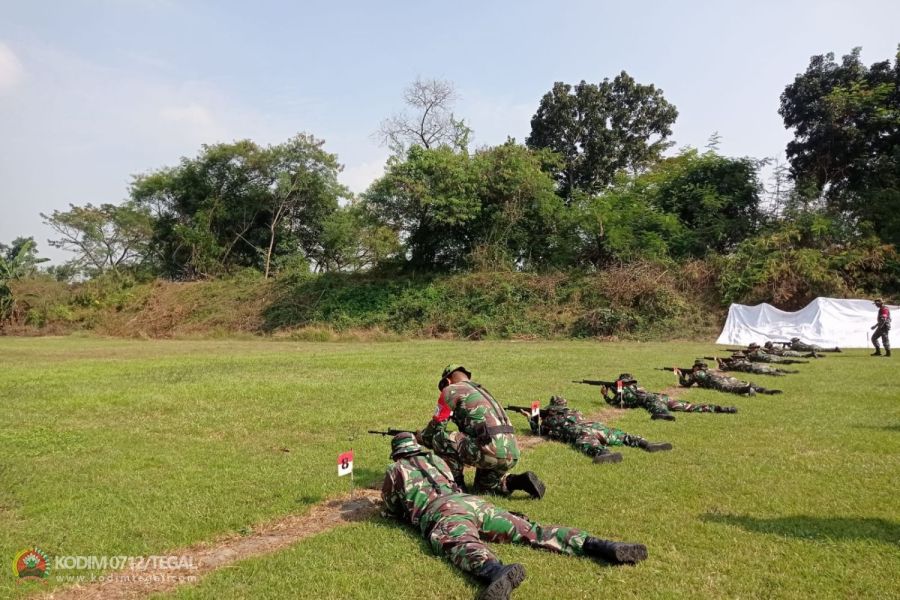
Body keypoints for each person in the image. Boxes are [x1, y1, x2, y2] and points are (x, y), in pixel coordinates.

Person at [381, 432, 648, 600]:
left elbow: (392, 508)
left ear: (397, 453)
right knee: (534, 531)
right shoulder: (438, 460)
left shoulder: (396, 470)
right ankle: (599, 545)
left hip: (443, 512)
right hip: (473, 502)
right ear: (416, 446)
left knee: (462, 544)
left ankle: (497, 572)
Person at [418, 364, 545, 498]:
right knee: (484, 488)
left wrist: (421, 437)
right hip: (512, 453)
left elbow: (436, 428)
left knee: (441, 439)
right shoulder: (483, 392)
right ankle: (515, 482)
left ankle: (456, 486)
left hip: (489, 449)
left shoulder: (451, 390)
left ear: (447, 381)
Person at [510, 396, 672, 464]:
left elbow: (538, 431)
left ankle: (604, 454)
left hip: (582, 432)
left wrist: (531, 417)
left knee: (586, 442)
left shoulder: (552, 420)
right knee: (621, 436)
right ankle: (646, 444)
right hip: (596, 426)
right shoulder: (576, 412)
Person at [600, 373, 737, 421]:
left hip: (653, 400)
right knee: (690, 407)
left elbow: (616, 403)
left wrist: (606, 396)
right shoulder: (636, 388)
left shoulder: (625, 391)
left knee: (658, 410)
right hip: (662, 397)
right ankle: (721, 409)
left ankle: (663, 414)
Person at [678, 361, 782, 396]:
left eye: (694, 367)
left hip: (718, 382)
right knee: (740, 383)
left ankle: (747, 389)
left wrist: (680, 375)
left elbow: (686, 384)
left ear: (697, 367)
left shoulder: (698, 373)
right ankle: (766, 391)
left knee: (732, 389)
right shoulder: (709, 370)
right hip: (727, 378)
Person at [714, 353, 798, 377]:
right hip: (755, 365)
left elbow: (724, 368)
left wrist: (720, 361)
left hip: (753, 368)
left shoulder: (733, 363)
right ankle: (787, 372)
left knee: (768, 372)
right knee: (771, 369)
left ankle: (782, 374)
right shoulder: (743, 360)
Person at [744, 343, 809, 365]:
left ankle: (800, 362)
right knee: (784, 360)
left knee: (784, 362)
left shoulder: (753, 353)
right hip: (771, 356)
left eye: (750, 348)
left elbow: (747, 358)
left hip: (769, 359)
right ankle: (801, 362)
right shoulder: (759, 350)